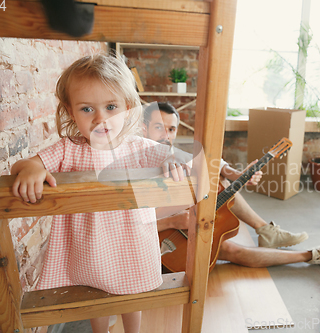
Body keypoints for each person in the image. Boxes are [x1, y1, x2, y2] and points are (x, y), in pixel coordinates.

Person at [11, 55, 190, 333]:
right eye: (86, 109)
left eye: (110, 107)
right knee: (94, 296)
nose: (100, 118)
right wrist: (30, 168)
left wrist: (172, 159)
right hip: (88, 243)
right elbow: (27, 164)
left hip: (132, 240)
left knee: (133, 295)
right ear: (71, 112)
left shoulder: (137, 146)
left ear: (127, 107)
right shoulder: (69, 148)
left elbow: (179, 155)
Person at [143, 102, 320, 268]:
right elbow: (121, 224)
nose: (166, 135)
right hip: (155, 241)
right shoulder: (129, 162)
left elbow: (209, 163)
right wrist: (172, 222)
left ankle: (311, 253)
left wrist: (236, 174)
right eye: (159, 128)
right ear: (144, 129)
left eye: (171, 129)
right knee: (230, 246)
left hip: (184, 226)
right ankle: (280, 238)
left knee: (221, 186)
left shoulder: (173, 154)